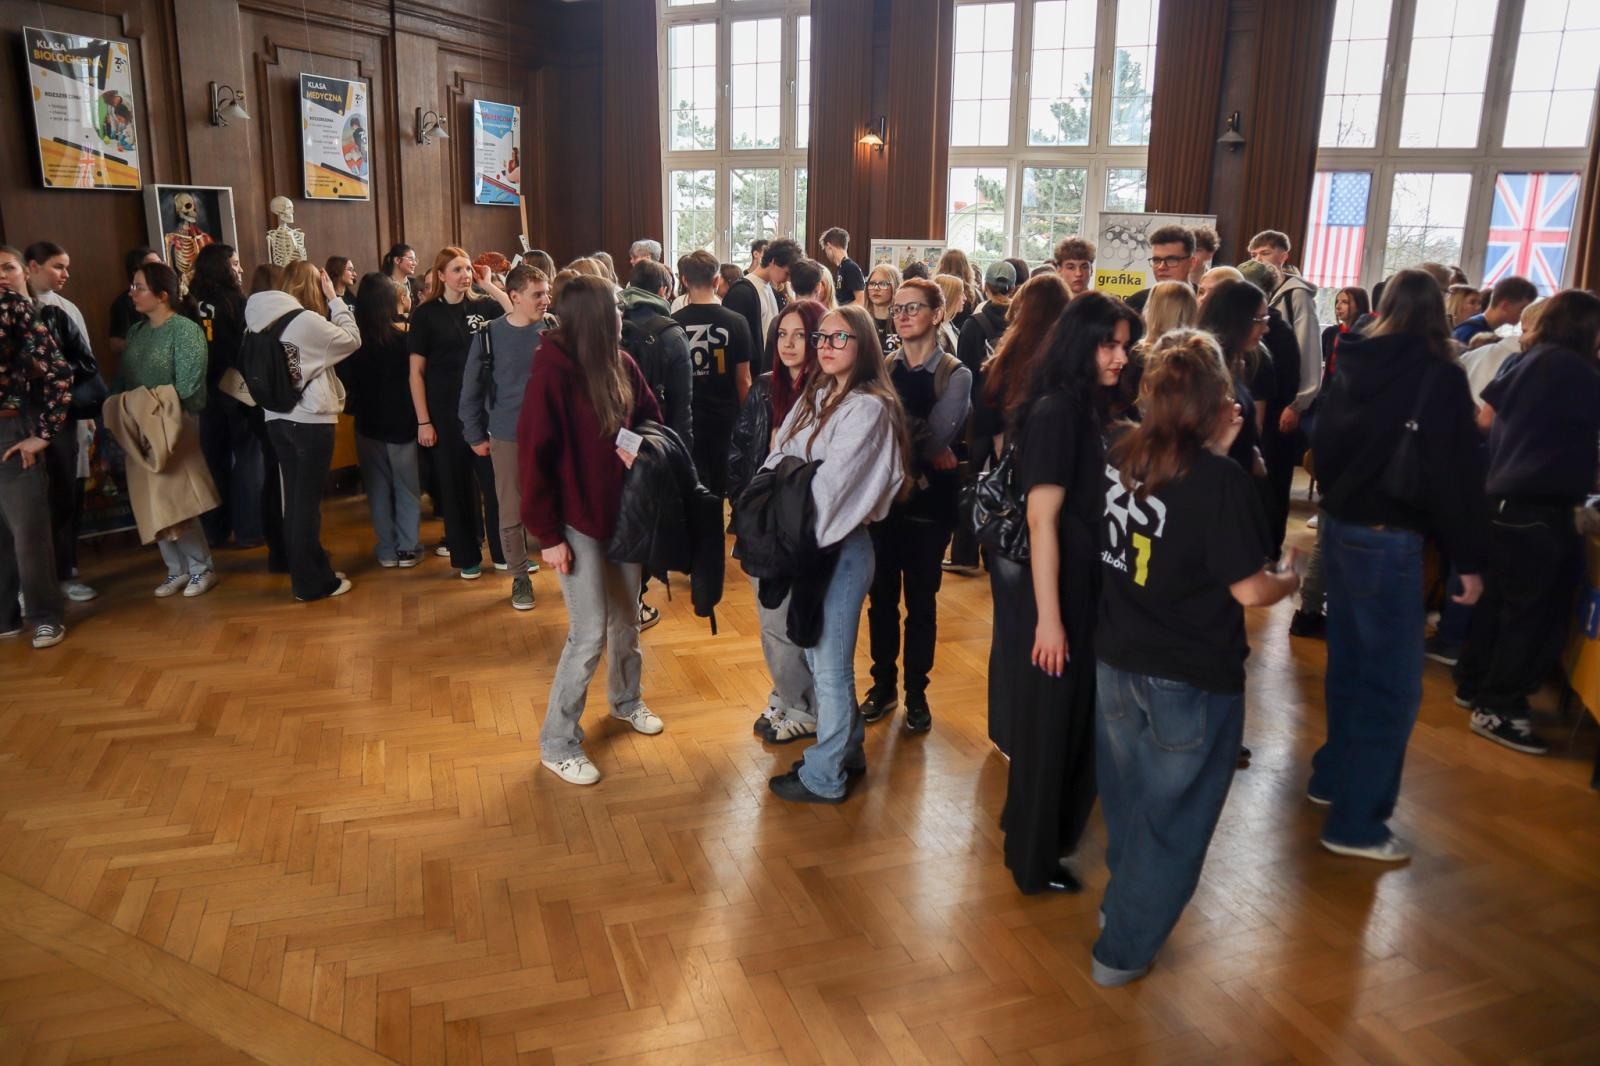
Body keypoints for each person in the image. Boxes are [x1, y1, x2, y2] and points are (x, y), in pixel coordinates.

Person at [1091, 330, 1299, 987]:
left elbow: (1169, 514)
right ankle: (1122, 950)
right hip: (1189, 674)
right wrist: (1291, 577)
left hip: (1117, 659)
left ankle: (1121, 908)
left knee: (1130, 803)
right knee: (1173, 821)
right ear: (1216, 400)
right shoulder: (1220, 481)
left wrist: (1214, 452)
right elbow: (1250, 590)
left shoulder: (1121, 451)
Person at [1310, 269, 1487, 861]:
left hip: (1341, 526)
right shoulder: (1439, 374)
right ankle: (1357, 825)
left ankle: (1332, 777)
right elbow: (1457, 473)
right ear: (1441, 311)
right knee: (1391, 686)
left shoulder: (1355, 355)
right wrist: (1469, 560)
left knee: (1349, 667)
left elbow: (1324, 441)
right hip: (1389, 536)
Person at [996, 292, 1142, 895]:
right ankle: (1034, 861)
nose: (1120, 357)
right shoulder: (1059, 410)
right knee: (1053, 727)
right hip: (1059, 593)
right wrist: (1050, 619)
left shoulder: (1084, 407)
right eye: (1109, 345)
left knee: (1059, 724)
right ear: (1081, 344)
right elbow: (1041, 520)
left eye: (1125, 346)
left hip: (1077, 588)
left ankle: (1031, 836)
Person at [517, 275, 665, 786]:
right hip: (574, 521)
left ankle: (626, 700)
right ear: (596, 318)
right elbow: (533, 459)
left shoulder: (621, 363)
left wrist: (637, 447)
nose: (623, 315)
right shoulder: (551, 372)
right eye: (616, 308)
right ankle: (557, 742)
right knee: (588, 633)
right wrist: (548, 536)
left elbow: (651, 419)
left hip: (622, 515)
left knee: (627, 620)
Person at [763, 304, 909, 803]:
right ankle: (847, 751)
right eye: (820, 337)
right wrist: (793, 476)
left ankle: (824, 776)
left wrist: (792, 478)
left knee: (829, 668)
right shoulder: (818, 392)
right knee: (815, 653)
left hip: (840, 550)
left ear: (863, 345)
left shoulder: (868, 408)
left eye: (838, 338)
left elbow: (829, 490)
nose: (824, 346)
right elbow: (776, 455)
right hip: (807, 545)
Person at [1454, 290, 1600, 755]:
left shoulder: (1526, 359)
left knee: (1500, 605)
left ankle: (1474, 686)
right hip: (1541, 507)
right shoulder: (1578, 371)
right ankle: (1499, 707)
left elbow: (1486, 419)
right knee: (1534, 617)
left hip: (1504, 500)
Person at [862, 279, 972, 733]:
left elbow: (938, 437)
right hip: (885, 502)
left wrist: (900, 428)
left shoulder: (955, 373)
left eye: (914, 308)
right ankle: (882, 685)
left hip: (931, 506)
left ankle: (916, 693)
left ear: (937, 314)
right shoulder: (885, 368)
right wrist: (918, 437)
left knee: (921, 603)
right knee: (881, 601)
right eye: (898, 308)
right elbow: (870, 427)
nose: (903, 315)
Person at [973, 273, 1071, 756]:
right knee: (1041, 624)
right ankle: (1033, 732)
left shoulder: (1002, 362)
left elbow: (989, 433)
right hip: (1039, 504)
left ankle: (1006, 730)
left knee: (1008, 628)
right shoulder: (1057, 372)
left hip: (1004, 509)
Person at [732, 299, 826, 744]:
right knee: (770, 617)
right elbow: (740, 448)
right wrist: (742, 508)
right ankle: (786, 694)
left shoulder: (827, 392)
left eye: (800, 335)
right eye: (782, 334)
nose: (789, 344)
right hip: (762, 517)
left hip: (801, 522)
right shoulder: (764, 387)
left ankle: (803, 705)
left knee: (784, 619)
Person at [248, 261, 361, 601]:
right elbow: (352, 339)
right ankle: (310, 584)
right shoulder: (306, 321)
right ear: (314, 285)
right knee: (306, 506)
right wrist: (335, 300)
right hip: (310, 421)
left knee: (295, 502)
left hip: (276, 418)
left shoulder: (256, 318)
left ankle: (313, 572)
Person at [110, 261, 219, 599]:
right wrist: (123, 408)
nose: (132, 293)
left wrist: (153, 408)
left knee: (176, 497)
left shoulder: (184, 330)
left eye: (139, 287)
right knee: (150, 498)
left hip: (173, 422)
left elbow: (189, 385)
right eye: (132, 286)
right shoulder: (136, 332)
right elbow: (123, 378)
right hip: (137, 422)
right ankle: (176, 568)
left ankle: (201, 567)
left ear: (162, 295)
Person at [408, 246, 512, 579]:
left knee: (495, 483)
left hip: (485, 409)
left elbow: (515, 315)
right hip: (444, 410)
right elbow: (416, 373)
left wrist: (489, 284)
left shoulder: (484, 306)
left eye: (468, 269)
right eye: (457, 269)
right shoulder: (425, 315)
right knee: (455, 484)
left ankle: (505, 553)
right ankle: (466, 556)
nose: (465, 275)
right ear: (441, 275)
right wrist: (424, 421)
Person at [461, 264, 553, 611]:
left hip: (552, 435)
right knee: (511, 509)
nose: (546, 300)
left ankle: (568, 570)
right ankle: (519, 576)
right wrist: (474, 434)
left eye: (547, 292)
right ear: (514, 297)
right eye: (537, 294)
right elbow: (470, 390)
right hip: (507, 435)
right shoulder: (489, 335)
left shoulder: (554, 329)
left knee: (558, 503)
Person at [0, 246, 72, 648]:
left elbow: (59, 372)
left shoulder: (14, 307)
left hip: (11, 428)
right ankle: (5, 616)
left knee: (27, 530)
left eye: (6, 268)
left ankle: (45, 615)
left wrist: (42, 433)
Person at [22, 241, 98, 603]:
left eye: (66, 266)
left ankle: (65, 571)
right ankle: (26, 584)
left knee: (65, 493)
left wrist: (54, 372)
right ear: (32, 267)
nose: (65, 274)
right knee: (24, 502)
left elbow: (86, 363)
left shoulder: (64, 310)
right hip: (18, 419)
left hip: (62, 415)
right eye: (57, 266)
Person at [346, 272, 422, 569]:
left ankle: (387, 550)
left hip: (367, 423)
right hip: (402, 422)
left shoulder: (353, 342)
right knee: (407, 487)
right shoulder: (403, 340)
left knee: (376, 489)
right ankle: (407, 548)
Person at [187, 243, 261, 551]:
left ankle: (215, 532)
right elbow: (245, 348)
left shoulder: (191, 302)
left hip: (205, 392)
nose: (240, 269)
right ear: (222, 267)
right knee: (248, 459)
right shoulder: (236, 302)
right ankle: (249, 530)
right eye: (235, 263)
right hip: (235, 389)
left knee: (213, 461)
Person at [673, 250, 752, 499]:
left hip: (687, 418)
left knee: (691, 486)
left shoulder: (673, 323)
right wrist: (747, 420)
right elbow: (743, 379)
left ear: (684, 280)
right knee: (719, 486)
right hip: (725, 417)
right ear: (717, 281)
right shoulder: (737, 322)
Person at [1247, 231, 1322, 439]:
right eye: (1253, 255)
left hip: (1284, 395)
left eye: (1265, 253)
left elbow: (1308, 348)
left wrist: (1298, 404)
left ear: (1283, 256)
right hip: (1259, 391)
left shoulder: (1297, 295)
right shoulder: (1253, 293)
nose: (1258, 260)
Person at [621, 259, 694, 451]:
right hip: (658, 438)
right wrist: (684, 452)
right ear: (663, 291)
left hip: (618, 433)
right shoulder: (672, 334)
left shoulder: (613, 322)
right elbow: (681, 406)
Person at [724, 238, 800, 375]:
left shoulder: (771, 289)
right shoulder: (741, 292)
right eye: (787, 273)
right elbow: (736, 345)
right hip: (751, 374)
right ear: (774, 262)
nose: (788, 279)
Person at [1124, 226, 1193, 314]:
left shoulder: (1204, 300)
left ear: (1191, 263)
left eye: (1171, 260)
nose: (1161, 267)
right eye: (1156, 260)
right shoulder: (1135, 305)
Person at [1452, 275, 1538, 345]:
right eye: (1523, 308)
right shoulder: (1471, 331)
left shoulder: (1481, 328)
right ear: (1505, 305)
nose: (1525, 313)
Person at [109, 246, 162, 358]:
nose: (160, 268)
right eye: (153, 265)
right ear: (136, 272)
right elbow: (115, 344)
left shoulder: (168, 294)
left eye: (160, 263)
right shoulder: (123, 303)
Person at [862, 262, 903, 357]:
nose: (876, 288)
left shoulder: (903, 321)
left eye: (883, 284)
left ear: (895, 287)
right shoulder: (859, 320)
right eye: (872, 283)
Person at [819, 227, 865, 307]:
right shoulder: (842, 267)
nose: (826, 254)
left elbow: (860, 301)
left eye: (825, 249)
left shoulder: (851, 268)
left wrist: (837, 310)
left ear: (829, 246)